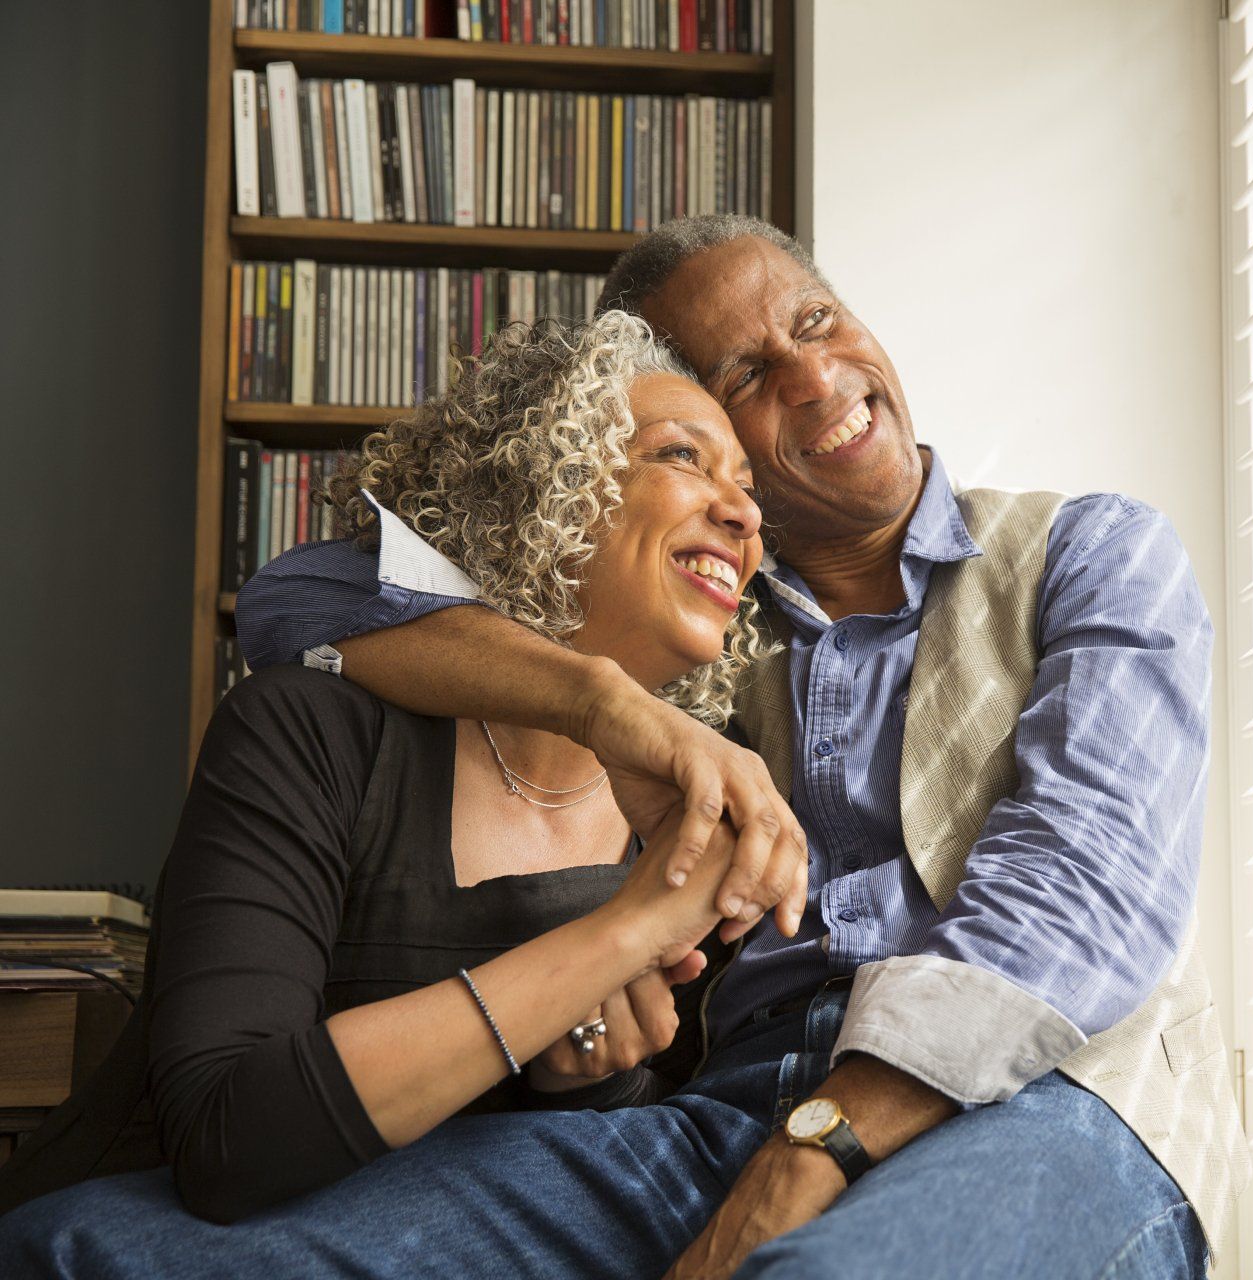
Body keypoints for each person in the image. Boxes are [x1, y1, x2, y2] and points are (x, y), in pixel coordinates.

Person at [5, 215, 1248, 1279]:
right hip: (716, 1117)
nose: (815, 380)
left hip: (1047, 1096)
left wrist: (809, 1151)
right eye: (745, 377)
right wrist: (620, 706)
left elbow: (1078, 901)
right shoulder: (701, 636)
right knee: (92, 1248)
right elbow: (303, 600)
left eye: (817, 320)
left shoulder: (1089, 554)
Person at [0, 311, 805, 1230]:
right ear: (546, 484)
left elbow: (558, 1187)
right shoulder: (308, 732)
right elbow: (225, 1141)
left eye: (747, 488)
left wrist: (581, 1076)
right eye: (683, 457)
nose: (743, 515)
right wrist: (616, 938)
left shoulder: (700, 819)